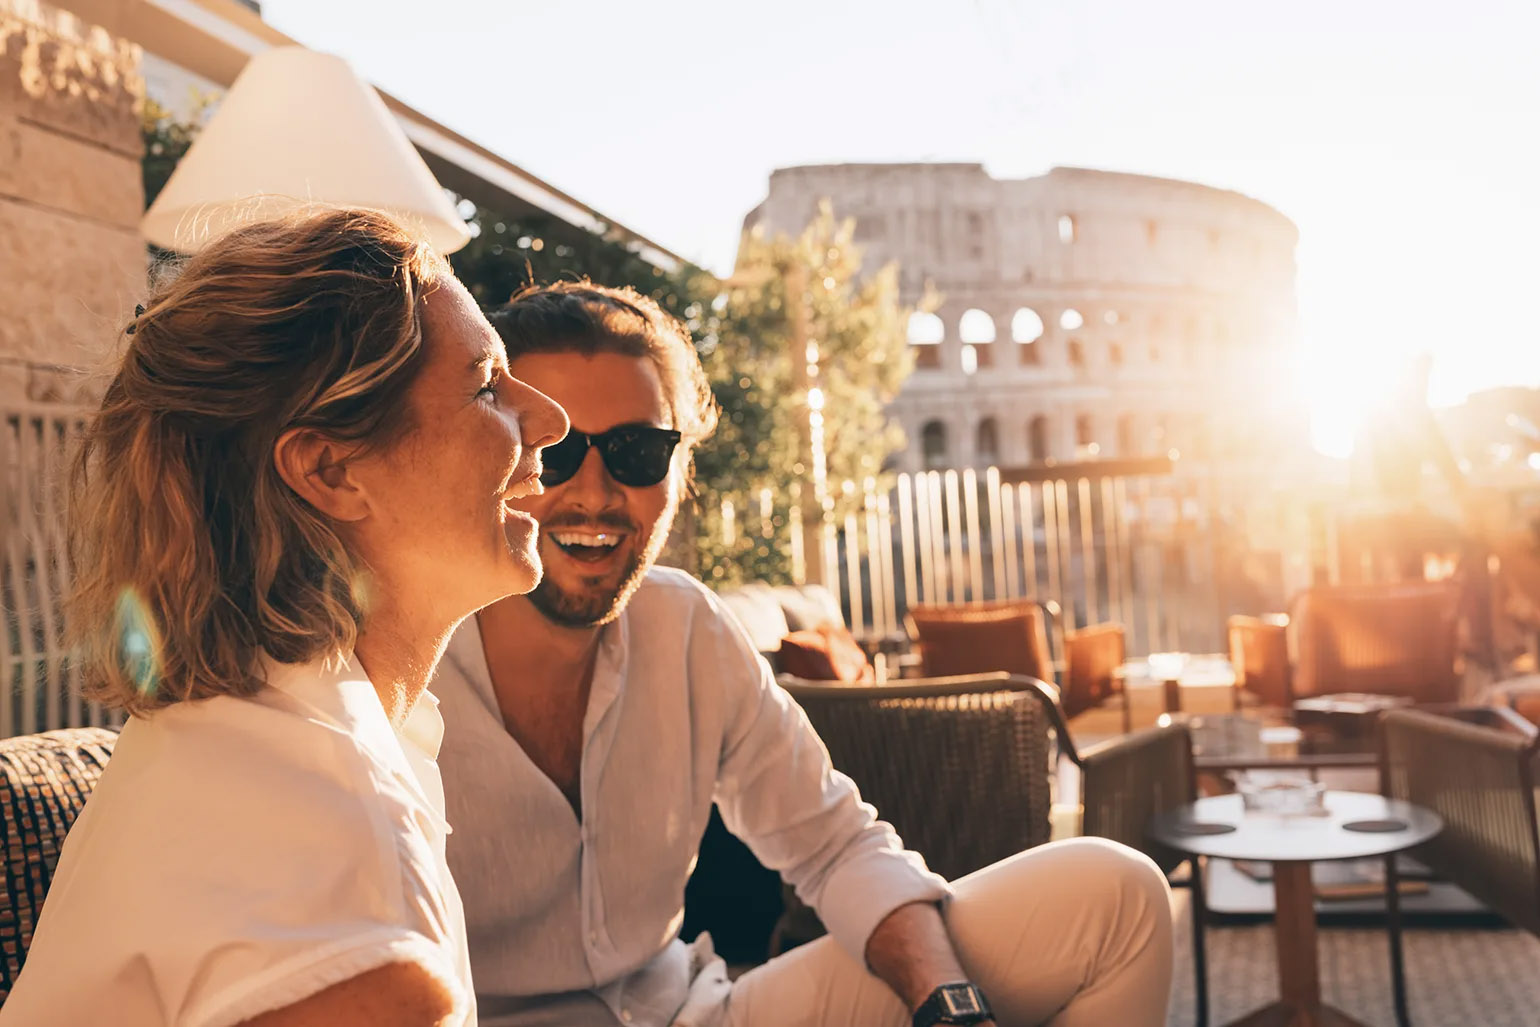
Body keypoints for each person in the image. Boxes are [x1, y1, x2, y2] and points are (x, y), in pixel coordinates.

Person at [432, 282, 1173, 1027]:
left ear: (677, 469)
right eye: (552, 450)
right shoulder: (400, 669)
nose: (594, 492)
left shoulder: (687, 626)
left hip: (690, 1013)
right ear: (492, 455)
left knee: (1117, 894)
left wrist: (949, 1006)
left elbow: (835, 844)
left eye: (635, 450)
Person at [1, 208, 568, 1027]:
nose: (550, 417)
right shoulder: (336, 856)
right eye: (486, 384)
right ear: (330, 468)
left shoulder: (247, 735)